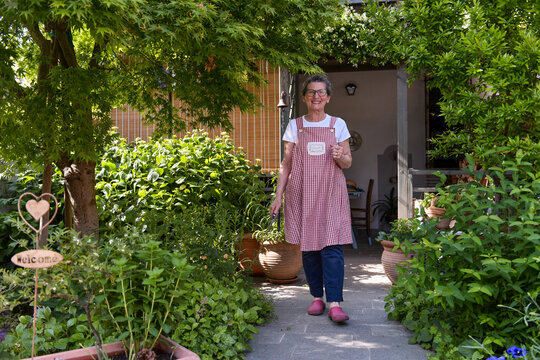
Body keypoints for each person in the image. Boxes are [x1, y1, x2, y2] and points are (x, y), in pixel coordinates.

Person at [270, 74, 353, 323]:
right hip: (302, 193)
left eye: (321, 92)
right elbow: (286, 164)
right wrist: (277, 197)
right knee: (309, 249)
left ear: (328, 98)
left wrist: (340, 155)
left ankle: (335, 302)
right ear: (305, 97)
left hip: (330, 193)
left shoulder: (338, 125)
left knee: (332, 247)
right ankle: (317, 297)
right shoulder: (295, 126)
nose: (316, 96)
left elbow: (347, 162)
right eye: (311, 92)